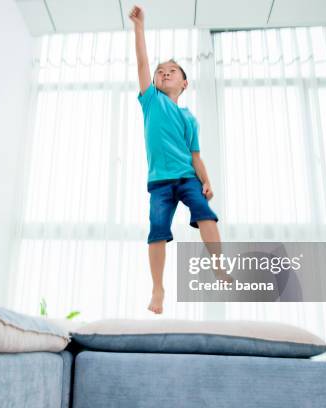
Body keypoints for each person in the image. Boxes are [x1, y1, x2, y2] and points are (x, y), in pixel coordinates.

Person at [129, 5, 225, 314]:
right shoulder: (151, 101)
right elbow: (143, 61)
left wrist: (206, 179)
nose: (164, 72)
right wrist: (140, 28)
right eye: (161, 71)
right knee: (157, 229)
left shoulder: (188, 118)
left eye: (172, 71)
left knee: (205, 213)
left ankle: (218, 266)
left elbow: (196, 156)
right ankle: (158, 289)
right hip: (159, 182)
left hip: (187, 177)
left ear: (184, 84)